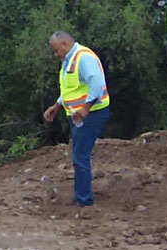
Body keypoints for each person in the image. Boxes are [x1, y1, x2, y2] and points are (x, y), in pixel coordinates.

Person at [43, 31, 110, 206]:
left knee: (80, 156)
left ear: (65, 44)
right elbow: (71, 90)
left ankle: (84, 200)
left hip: (92, 113)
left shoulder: (83, 58)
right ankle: (81, 197)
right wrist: (57, 106)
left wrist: (86, 109)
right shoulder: (69, 61)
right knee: (79, 154)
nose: (56, 54)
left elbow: (97, 83)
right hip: (80, 114)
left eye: (57, 50)